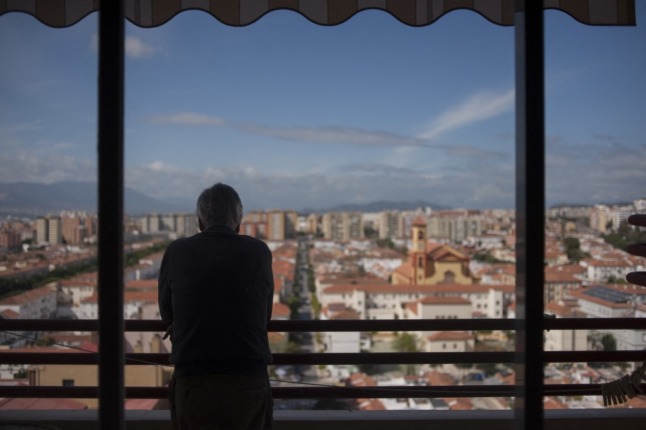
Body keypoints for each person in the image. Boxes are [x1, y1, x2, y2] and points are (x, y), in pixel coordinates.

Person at [158, 183, 274, 430]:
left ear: (200, 221)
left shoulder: (177, 251)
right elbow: (265, 315)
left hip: (193, 376)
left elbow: (166, 312)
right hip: (248, 377)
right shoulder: (259, 252)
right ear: (238, 221)